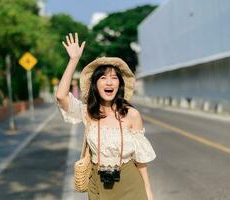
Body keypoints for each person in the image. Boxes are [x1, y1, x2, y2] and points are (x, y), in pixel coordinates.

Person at [55, 33, 156, 200]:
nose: (109, 82)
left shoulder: (132, 115)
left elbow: (141, 160)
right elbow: (61, 96)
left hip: (130, 183)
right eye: (103, 78)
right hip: (97, 184)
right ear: (95, 84)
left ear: (119, 85)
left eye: (114, 78)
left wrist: (148, 192)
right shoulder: (88, 112)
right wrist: (73, 60)